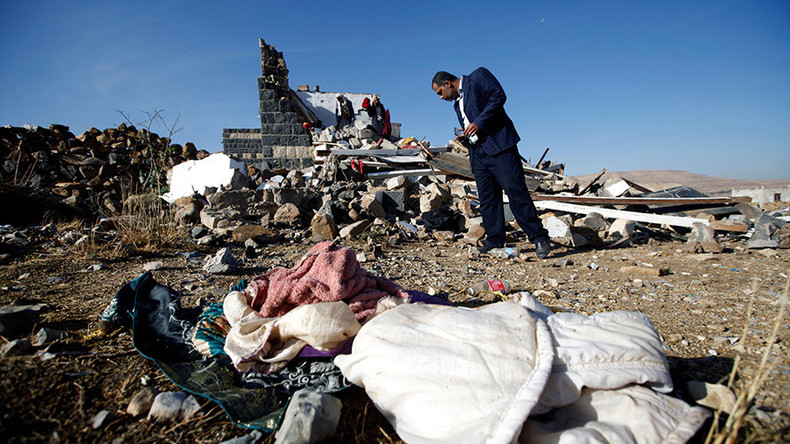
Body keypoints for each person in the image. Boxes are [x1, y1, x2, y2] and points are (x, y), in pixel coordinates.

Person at [431, 68, 551, 258]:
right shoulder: (457, 105)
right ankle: (495, 239)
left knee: (516, 192)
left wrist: (479, 123)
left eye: (440, 93)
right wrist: (465, 136)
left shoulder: (478, 77)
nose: (440, 97)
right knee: (487, 199)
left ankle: (539, 237)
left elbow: (498, 96)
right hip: (478, 153)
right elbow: (471, 125)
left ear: (448, 83)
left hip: (500, 147)